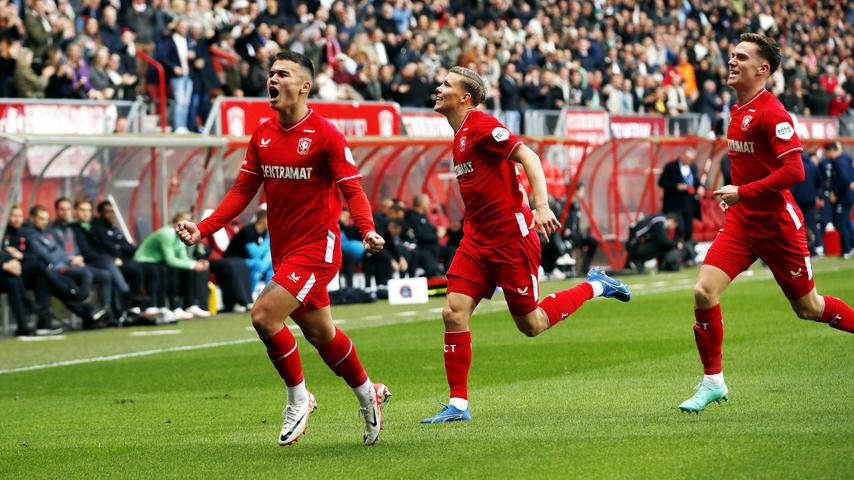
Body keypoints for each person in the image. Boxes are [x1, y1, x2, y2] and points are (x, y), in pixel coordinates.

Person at [174, 51, 391, 446]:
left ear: (304, 86)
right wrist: (203, 228)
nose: (272, 80)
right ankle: (369, 394)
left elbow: (352, 188)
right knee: (322, 334)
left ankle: (299, 398)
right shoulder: (263, 135)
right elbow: (242, 192)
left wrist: (367, 230)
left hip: (317, 250)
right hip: (286, 252)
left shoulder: (326, 134)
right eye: (270, 73)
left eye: (282, 74)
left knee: (263, 315)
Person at [421, 66, 631, 424]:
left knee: (531, 324)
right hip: (477, 239)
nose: (438, 89)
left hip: (510, 239)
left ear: (465, 98)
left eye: (446, 85)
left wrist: (542, 205)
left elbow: (529, 156)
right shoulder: (458, 134)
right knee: (453, 311)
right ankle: (458, 404)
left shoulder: (481, 125)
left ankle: (597, 285)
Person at [680, 34, 854, 414]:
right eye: (731, 55)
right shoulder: (737, 109)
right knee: (703, 291)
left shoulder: (773, 114)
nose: (731, 60)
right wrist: (741, 200)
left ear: (763, 69)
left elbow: (794, 171)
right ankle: (713, 381)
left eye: (740, 57)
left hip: (778, 227)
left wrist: (743, 192)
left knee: (808, 308)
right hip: (743, 224)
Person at [134, 212, 210, 320]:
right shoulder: (167, 233)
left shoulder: (181, 234)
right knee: (171, 270)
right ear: (176, 222)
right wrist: (193, 265)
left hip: (159, 261)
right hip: (144, 260)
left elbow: (183, 257)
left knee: (188, 270)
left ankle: (190, 305)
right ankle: (172, 307)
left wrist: (195, 264)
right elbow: (170, 260)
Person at [658, 148, 704, 242]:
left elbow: (696, 181)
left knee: (688, 228)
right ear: (682, 156)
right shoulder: (670, 167)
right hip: (675, 203)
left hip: (689, 202)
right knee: (680, 227)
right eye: (687, 159)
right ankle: (676, 246)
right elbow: (661, 182)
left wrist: (700, 187)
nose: (689, 161)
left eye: (691, 160)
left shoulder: (693, 167)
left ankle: (687, 251)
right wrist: (676, 186)